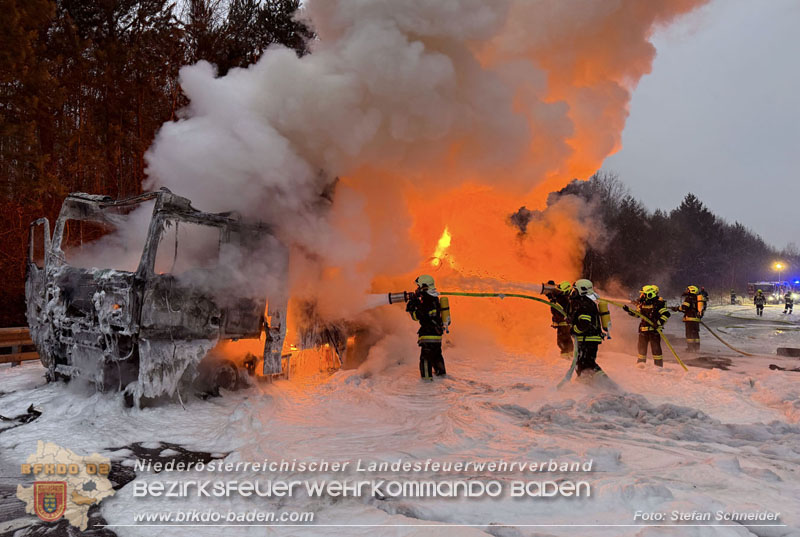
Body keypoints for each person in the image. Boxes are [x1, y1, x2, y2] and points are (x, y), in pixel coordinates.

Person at [405, 274, 448, 378]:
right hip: (436, 334)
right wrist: (417, 301)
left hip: (428, 333)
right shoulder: (434, 298)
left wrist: (412, 306)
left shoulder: (427, 300)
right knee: (437, 355)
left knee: (425, 358)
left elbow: (417, 316)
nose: (417, 289)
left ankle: (426, 381)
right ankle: (442, 375)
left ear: (424, 286)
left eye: (419, 286)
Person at [569, 279, 610, 377]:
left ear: (581, 290)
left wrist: (574, 330)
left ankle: (605, 382)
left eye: (575, 290)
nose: (573, 292)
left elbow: (584, 324)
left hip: (587, 339)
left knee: (586, 364)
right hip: (589, 339)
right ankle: (588, 382)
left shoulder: (584, 304)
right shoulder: (586, 302)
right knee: (584, 363)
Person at [624, 284, 671, 367]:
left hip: (654, 331)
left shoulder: (658, 303)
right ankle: (641, 365)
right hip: (643, 330)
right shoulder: (642, 303)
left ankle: (658, 367)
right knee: (641, 350)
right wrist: (629, 311)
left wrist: (658, 323)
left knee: (656, 350)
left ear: (649, 294)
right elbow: (638, 314)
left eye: (643, 294)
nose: (641, 295)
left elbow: (666, 314)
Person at [545, 280, 574, 360]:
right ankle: (569, 354)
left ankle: (567, 356)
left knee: (562, 341)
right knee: (566, 340)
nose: (559, 292)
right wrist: (550, 288)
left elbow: (560, 310)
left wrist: (553, 301)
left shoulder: (565, 300)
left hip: (564, 324)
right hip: (562, 324)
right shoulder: (562, 298)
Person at [677, 285, 706, 352]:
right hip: (696, 319)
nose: (686, 291)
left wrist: (677, 308)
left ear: (691, 290)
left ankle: (690, 348)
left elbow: (684, 308)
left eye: (688, 290)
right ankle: (696, 348)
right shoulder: (698, 298)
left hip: (689, 319)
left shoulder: (688, 298)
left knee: (689, 334)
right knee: (695, 333)